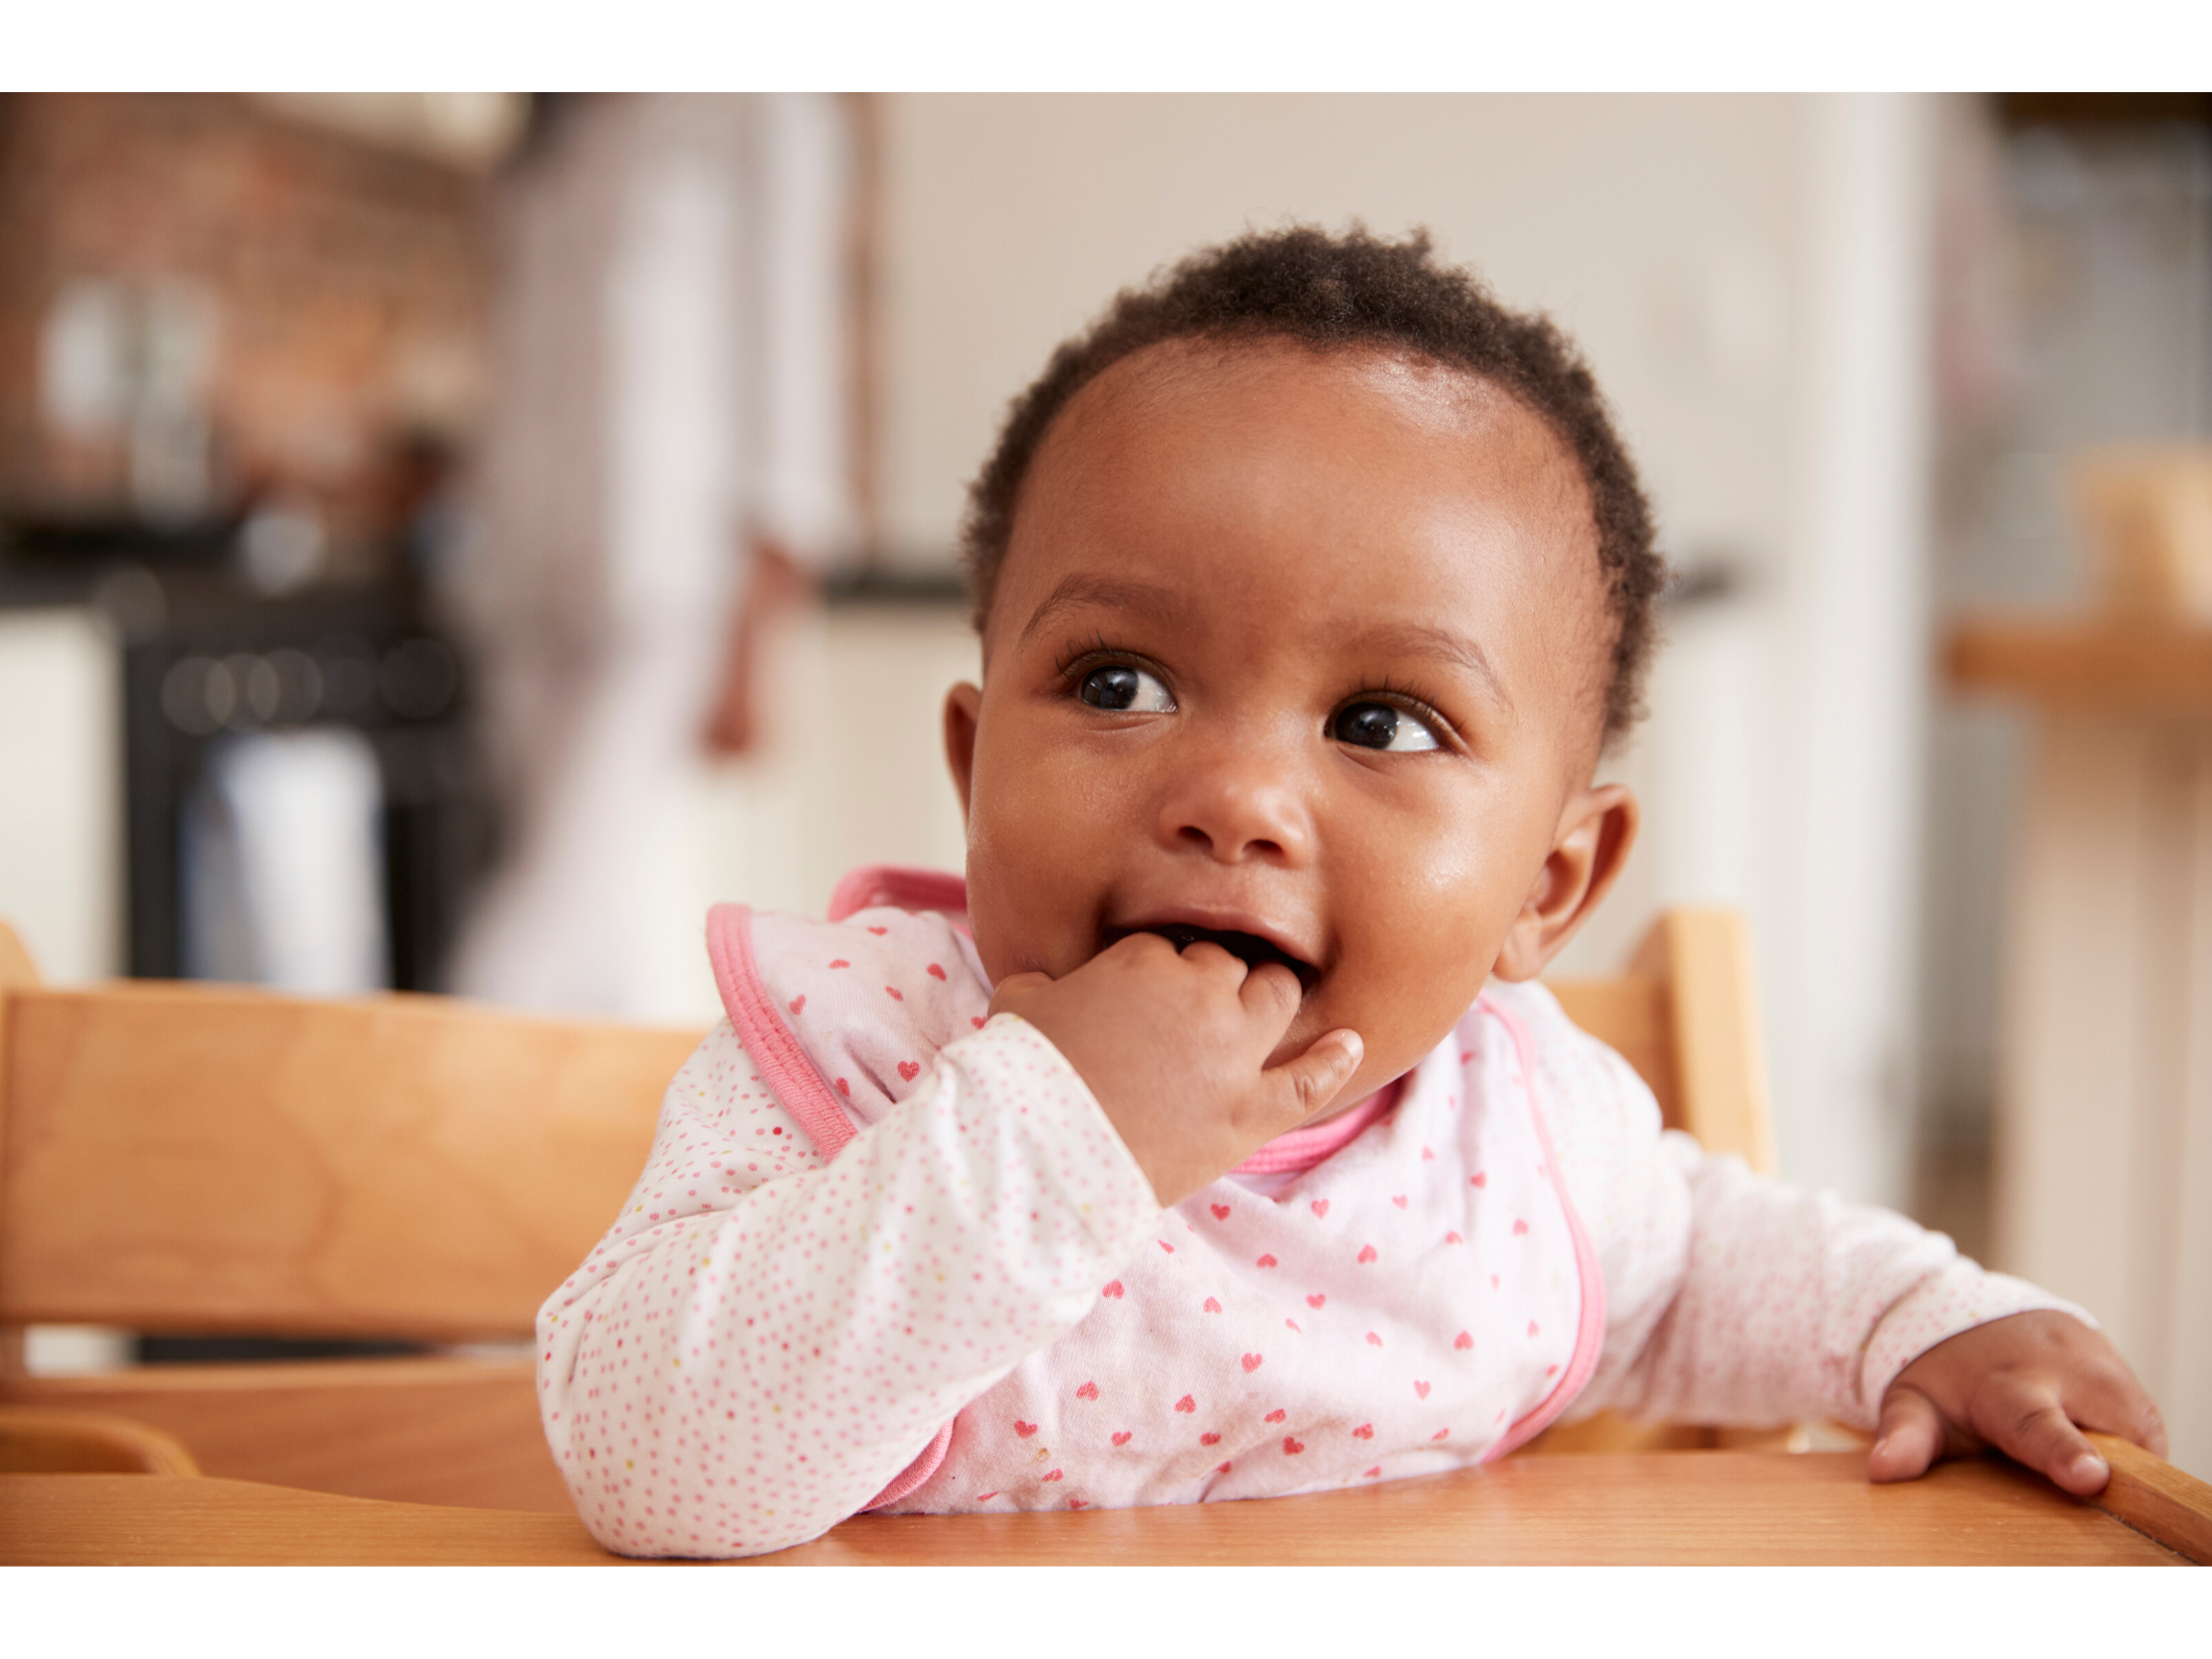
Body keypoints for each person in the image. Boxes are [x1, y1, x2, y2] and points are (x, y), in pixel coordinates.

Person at [535, 228, 2165, 1558]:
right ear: (972, 770)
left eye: (1380, 722)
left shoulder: (1516, 1149)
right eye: (1116, 684)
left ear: (1551, 884)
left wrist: (1928, 1326)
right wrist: (1053, 1132)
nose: (1236, 797)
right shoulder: (857, 1059)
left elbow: (1705, 1273)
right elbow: (649, 1462)